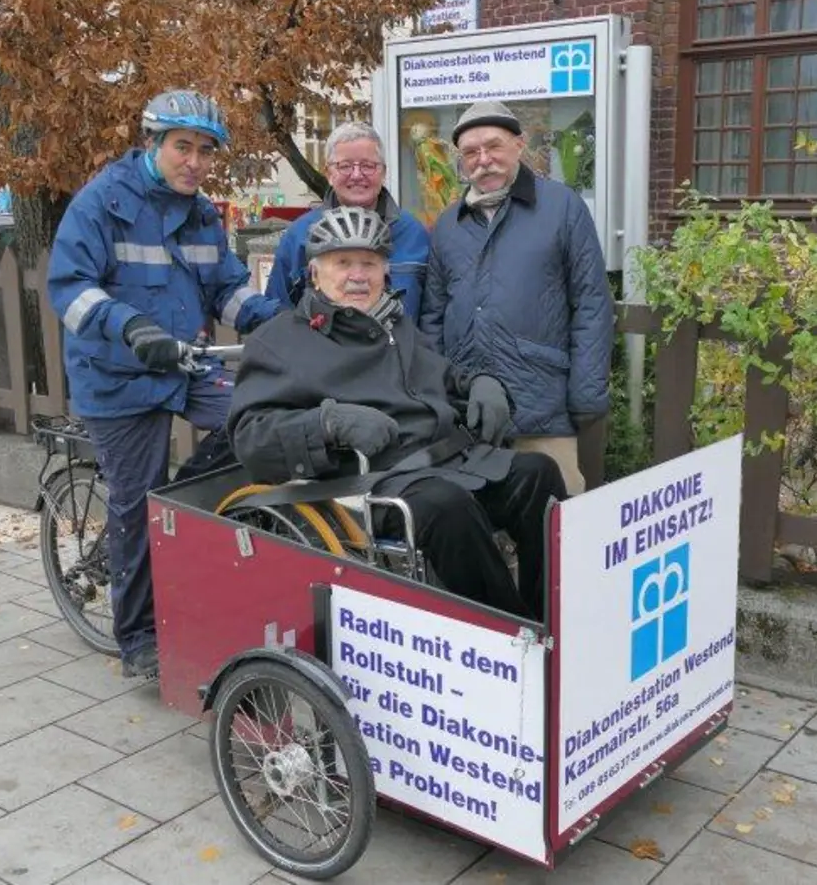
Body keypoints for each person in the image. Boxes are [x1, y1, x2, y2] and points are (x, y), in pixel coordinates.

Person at [228, 205, 565, 620]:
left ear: (386, 271)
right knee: (448, 508)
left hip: (450, 461)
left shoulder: (395, 325)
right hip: (372, 484)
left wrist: (480, 383)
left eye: (369, 264)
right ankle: (511, 632)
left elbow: (442, 377)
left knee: (538, 473)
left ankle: (553, 612)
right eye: (343, 263)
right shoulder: (277, 341)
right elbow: (251, 436)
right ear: (315, 273)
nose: (358, 275)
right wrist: (327, 423)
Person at [47, 89, 283, 679]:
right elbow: (69, 289)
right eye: (183, 147)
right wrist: (129, 326)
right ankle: (138, 638)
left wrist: (279, 320)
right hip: (117, 377)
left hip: (183, 364)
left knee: (254, 421)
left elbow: (226, 289)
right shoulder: (101, 203)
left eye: (206, 151)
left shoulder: (201, 213)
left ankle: (178, 506)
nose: (195, 162)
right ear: (152, 143)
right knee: (134, 505)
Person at [420, 100, 615, 496]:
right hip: (468, 411)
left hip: (541, 406)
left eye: (494, 146)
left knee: (555, 515)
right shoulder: (448, 226)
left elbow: (591, 303)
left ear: (519, 145)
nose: (483, 160)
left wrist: (587, 394)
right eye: (471, 153)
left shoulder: (561, 208)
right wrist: (438, 395)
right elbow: (433, 317)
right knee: (474, 515)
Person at [264, 121, 431, 320]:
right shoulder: (300, 236)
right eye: (345, 166)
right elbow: (278, 316)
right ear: (328, 174)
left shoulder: (413, 234)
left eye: (368, 166)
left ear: (384, 173)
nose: (357, 175)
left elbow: (432, 316)